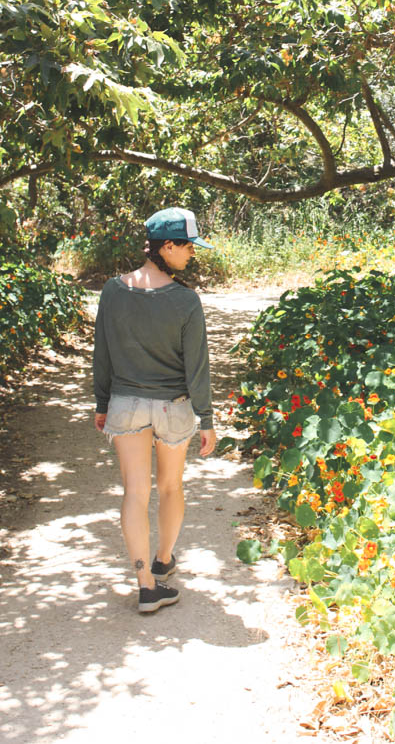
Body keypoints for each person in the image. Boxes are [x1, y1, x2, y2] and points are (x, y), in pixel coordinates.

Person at [93, 207, 217, 613]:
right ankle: (164, 559)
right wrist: (208, 419)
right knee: (169, 487)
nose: (192, 255)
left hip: (125, 405)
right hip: (174, 408)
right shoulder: (185, 301)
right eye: (188, 247)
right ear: (168, 246)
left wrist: (102, 403)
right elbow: (196, 368)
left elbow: (103, 355)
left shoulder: (112, 291)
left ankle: (146, 585)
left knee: (134, 492)